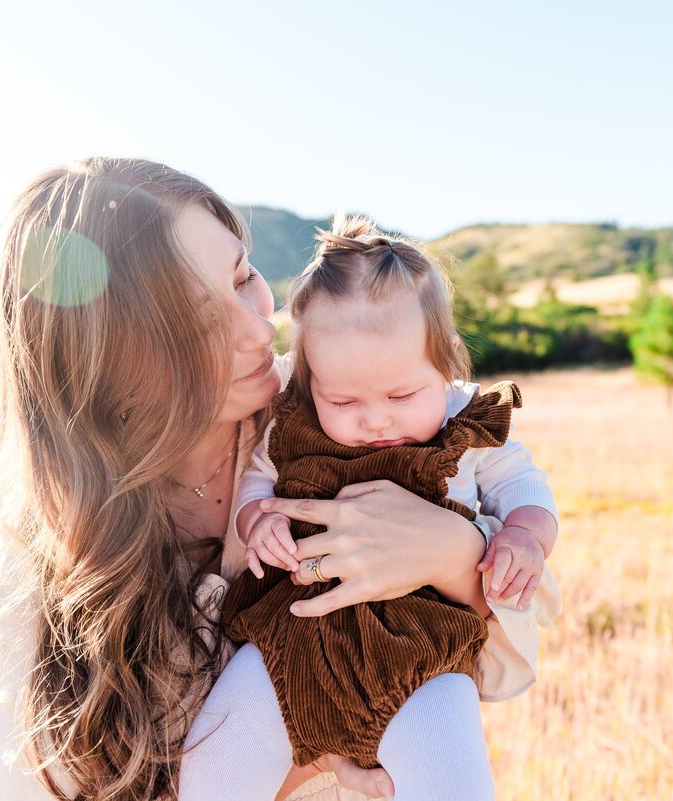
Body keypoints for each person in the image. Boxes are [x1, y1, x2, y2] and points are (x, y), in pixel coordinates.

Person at [0, 158, 559, 801]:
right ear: (107, 365)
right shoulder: (51, 537)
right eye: (195, 322)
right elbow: (27, 786)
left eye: (243, 275)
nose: (258, 327)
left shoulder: (334, 398)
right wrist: (311, 756)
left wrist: (456, 552)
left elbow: (514, 636)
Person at [178, 217, 561, 801]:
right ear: (311, 383)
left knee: (451, 780)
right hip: (292, 642)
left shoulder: (467, 425)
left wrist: (525, 538)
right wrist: (262, 522)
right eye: (344, 400)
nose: (376, 418)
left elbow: (525, 486)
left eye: (404, 395)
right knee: (214, 766)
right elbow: (260, 483)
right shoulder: (292, 425)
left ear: (447, 365)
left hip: (422, 654)